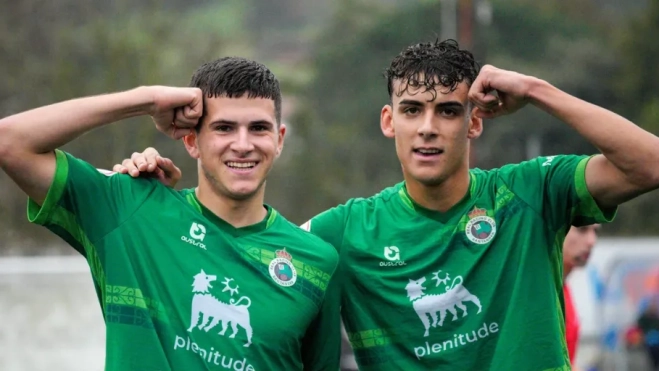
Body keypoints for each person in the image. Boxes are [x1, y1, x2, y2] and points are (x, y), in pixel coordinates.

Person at [114, 39, 659, 370]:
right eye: (412, 109)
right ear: (388, 120)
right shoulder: (342, 232)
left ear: (474, 122)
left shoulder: (529, 193)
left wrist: (540, 91)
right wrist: (154, 201)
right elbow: (240, 243)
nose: (428, 127)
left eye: (448, 111)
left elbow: (648, 164)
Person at [0, 57, 341, 370]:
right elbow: (10, 142)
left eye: (258, 128)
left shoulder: (316, 262)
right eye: (223, 128)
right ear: (191, 141)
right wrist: (147, 100)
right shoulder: (130, 210)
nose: (242, 144)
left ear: (279, 139)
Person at [562, 224, 601, 368]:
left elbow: (568, 363)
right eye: (582, 229)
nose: (592, 241)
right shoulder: (539, 294)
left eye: (596, 231)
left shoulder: (564, 290)